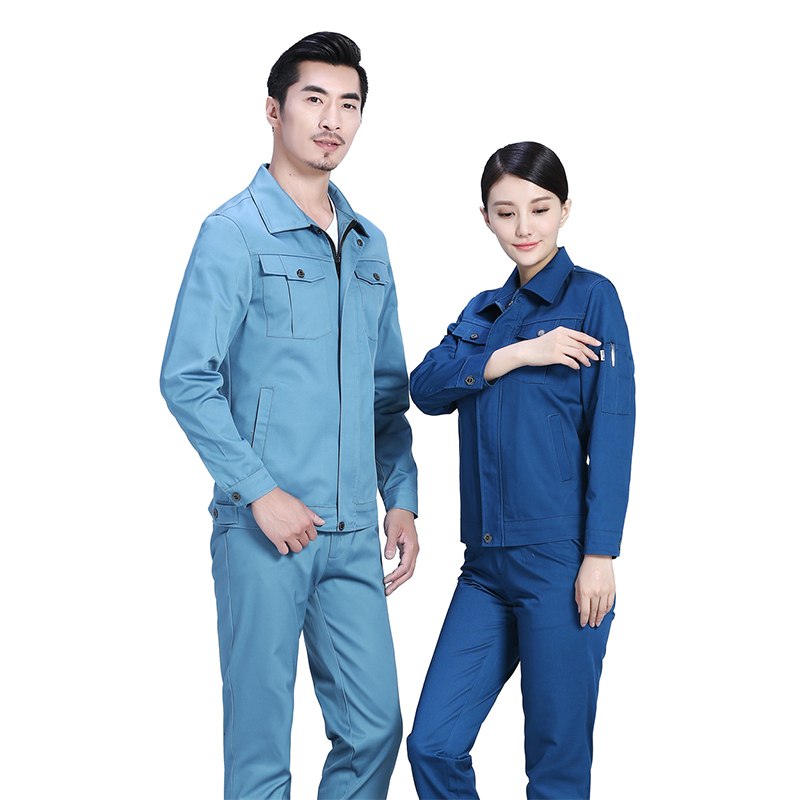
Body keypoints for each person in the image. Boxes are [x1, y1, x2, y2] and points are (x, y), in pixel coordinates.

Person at [160, 32, 419, 800]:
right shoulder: (233, 233)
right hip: (262, 530)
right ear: (274, 111)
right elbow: (186, 378)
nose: (332, 120)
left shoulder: (370, 245)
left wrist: (401, 498)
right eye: (315, 99)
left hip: (350, 535)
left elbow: (386, 393)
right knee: (261, 750)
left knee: (376, 729)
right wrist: (258, 491)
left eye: (349, 104)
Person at [406, 141, 634, 799]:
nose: (523, 227)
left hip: (560, 561)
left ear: (565, 209)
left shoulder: (593, 299)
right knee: (433, 744)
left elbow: (614, 428)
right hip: (484, 567)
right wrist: (518, 354)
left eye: (539, 208)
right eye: (505, 213)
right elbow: (425, 389)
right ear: (486, 218)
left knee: (555, 762)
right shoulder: (483, 311)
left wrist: (600, 554)